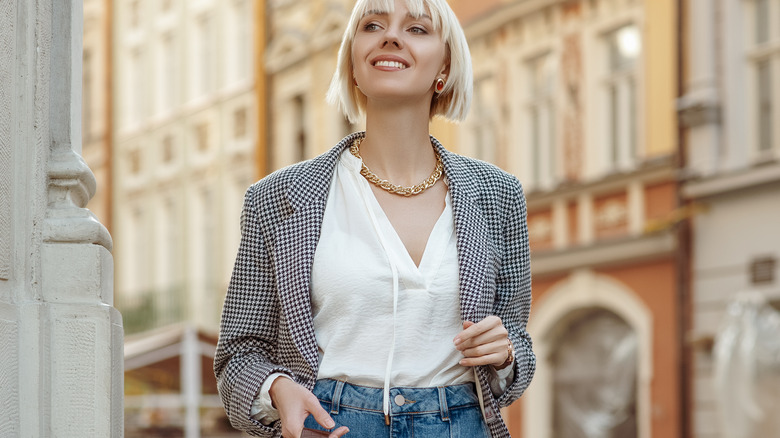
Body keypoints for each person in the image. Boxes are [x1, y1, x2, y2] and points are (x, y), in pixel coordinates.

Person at [214, 0, 535, 437]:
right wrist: (277, 389)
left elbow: (516, 344)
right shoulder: (277, 198)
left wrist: (506, 352)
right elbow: (239, 353)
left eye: (417, 29)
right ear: (352, 60)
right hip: (332, 424)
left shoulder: (499, 195)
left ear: (445, 66)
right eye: (372, 25)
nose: (391, 36)